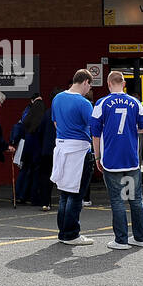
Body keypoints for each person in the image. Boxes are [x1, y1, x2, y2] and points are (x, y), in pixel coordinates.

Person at [91, 70, 143, 250]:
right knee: (135, 198)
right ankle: (140, 237)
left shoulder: (102, 103)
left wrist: (97, 156)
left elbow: (95, 133)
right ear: (124, 83)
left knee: (117, 200)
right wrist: (131, 131)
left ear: (109, 84)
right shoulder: (135, 102)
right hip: (131, 159)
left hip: (111, 159)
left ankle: (121, 240)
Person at [50, 70, 96, 245]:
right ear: (85, 82)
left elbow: (55, 122)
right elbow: (94, 128)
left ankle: (63, 232)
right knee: (76, 195)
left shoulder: (58, 98)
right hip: (79, 151)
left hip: (62, 148)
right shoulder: (84, 103)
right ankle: (71, 234)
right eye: (90, 85)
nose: (89, 89)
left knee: (64, 194)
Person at [10, 95, 52, 207]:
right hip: (37, 150)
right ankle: (34, 197)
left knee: (24, 172)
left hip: (26, 147)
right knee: (37, 174)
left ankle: (19, 195)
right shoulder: (42, 120)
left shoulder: (27, 118)